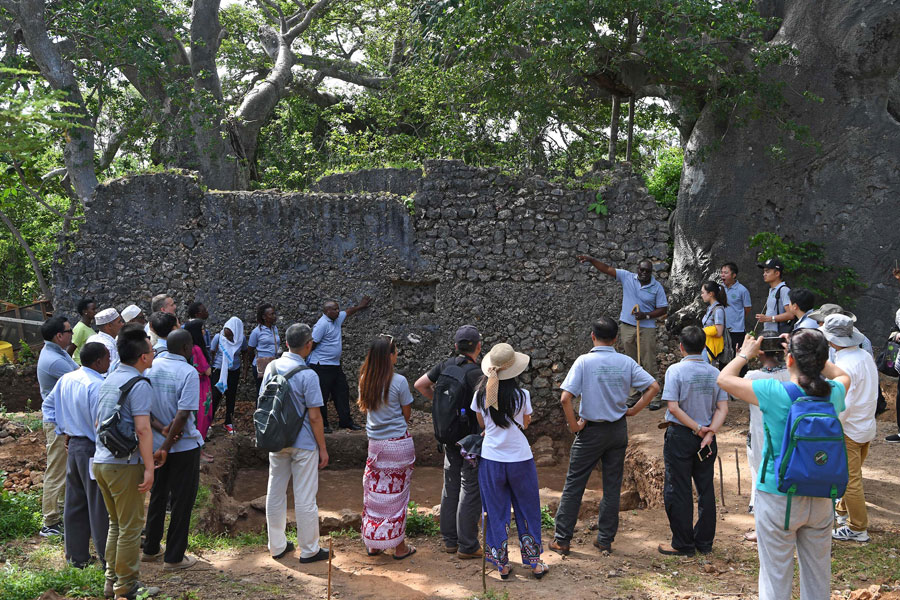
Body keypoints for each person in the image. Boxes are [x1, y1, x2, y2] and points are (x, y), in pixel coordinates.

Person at [717, 330, 850, 600]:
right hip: (822, 495)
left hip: (777, 494)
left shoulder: (772, 392)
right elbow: (844, 376)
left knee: (775, 576)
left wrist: (745, 353)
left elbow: (724, 379)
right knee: (818, 576)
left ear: (789, 360)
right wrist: (816, 357)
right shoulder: (834, 393)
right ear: (822, 359)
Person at [551, 316, 661, 555]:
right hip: (617, 430)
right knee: (612, 486)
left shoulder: (583, 362)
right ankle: (604, 539)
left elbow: (565, 398)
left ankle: (562, 539)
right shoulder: (626, 362)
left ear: (592, 336)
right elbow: (653, 387)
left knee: (574, 485)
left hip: (590, 431)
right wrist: (634, 409)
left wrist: (574, 427)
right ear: (615, 340)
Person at [93, 324, 161, 600]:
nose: (154, 352)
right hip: (124, 464)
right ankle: (127, 586)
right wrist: (148, 468)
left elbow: (98, 421)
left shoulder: (109, 379)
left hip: (101, 461)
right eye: (151, 349)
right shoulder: (139, 384)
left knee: (117, 524)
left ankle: (112, 582)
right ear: (143, 357)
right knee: (131, 527)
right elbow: (143, 430)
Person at [471, 342, 547, 580]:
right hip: (520, 458)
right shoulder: (522, 395)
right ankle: (534, 563)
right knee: (527, 509)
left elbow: (483, 425)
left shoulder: (480, 394)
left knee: (495, 511)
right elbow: (525, 424)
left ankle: (501, 564)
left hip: (491, 459)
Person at [262, 323, 330, 564]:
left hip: (276, 439)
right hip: (304, 444)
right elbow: (314, 416)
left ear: (286, 343)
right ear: (309, 345)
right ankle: (310, 549)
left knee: (275, 492)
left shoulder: (271, 367)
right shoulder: (309, 376)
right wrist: (323, 448)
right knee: (305, 497)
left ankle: (277, 546)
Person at [414, 325, 484, 558]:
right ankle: (468, 545)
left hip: (447, 436)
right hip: (469, 440)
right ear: (478, 347)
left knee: (451, 485)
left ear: (455, 346)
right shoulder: (477, 373)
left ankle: (449, 541)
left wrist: (440, 404)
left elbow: (420, 385)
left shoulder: (444, 366)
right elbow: (483, 410)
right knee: (469, 488)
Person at [658, 326, 728, 556]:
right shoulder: (715, 373)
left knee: (679, 488)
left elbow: (673, 406)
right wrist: (709, 433)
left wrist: (697, 428)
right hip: (707, 440)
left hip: (681, 435)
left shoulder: (675, 371)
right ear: (704, 346)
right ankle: (704, 543)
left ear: (681, 347)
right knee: (706, 489)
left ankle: (683, 543)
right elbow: (722, 408)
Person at [141, 329, 202, 570]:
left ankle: (151, 548)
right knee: (181, 500)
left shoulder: (150, 368)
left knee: (157, 495)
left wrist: (161, 434)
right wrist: (168, 445)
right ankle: (174, 557)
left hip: (154, 445)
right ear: (187, 349)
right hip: (182, 447)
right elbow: (184, 413)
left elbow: (144, 407)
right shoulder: (188, 372)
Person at [46, 342, 110, 568]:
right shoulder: (97, 385)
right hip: (92, 448)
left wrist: (62, 429)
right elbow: (100, 424)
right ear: (99, 361)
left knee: (75, 502)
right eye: (108, 358)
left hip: (73, 446)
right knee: (98, 504)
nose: (110, 362)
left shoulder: (67, 379)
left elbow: (48, 406)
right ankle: (106, 560)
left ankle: (76, 556)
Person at [576, 255, 668, 409]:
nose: (644, 273)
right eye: (641, 269)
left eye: (647, 271)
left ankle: (654, 396)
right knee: (630, 361)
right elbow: (607, 269)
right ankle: (634, 393)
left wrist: (646, 315)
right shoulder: (627, 277)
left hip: (647, 327)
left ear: (652, 272)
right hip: (628, 326)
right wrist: (592, 260)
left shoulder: (657, 287)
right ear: (637, 269)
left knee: (648, 360)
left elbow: (663, 308)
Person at [358, 335, 417, 559]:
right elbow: (407, 414)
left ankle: (374, 543)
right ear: (389, 356)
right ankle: (399, 548)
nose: (397, 355)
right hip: (398, 446)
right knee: (398, 498)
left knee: (375, 495)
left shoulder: (365, 378)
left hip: (375, 446)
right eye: (395, 352)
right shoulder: (399, 381)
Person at [821, 314, 878, 543]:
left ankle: (857, 528)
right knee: (852, 474)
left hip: (849, 429)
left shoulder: (844, 365)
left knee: (850, 479)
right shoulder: (864, 356)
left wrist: (832, 429)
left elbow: (843, 404)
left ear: (832, 340)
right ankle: (843, 512)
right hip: (866, 425)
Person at [742, 334, 791, 543]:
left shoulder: (753, 377)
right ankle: (787, 523)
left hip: (762, 435)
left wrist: (742, 356)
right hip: (788, 434)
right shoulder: (792, 374)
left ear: (759, 352)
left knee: (760, 479)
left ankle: (762, 527)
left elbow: (727, 383)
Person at [37, 316, 78, 538]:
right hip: (56, 422)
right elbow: (81, 377)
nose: (73, 334)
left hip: (63, 420)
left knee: (65, 468)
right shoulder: (53, 359)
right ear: (59, 336)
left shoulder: (58, 352)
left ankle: (61, 512)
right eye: (69, 331)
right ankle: (49, 521)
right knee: (56, 470)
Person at [308, 297, 372, 432]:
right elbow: (312, 344)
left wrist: (360, 306)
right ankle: (323, 424)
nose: (338, 311)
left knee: (342, 392)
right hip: (321, 366)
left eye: (338, 308)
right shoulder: (322, 325)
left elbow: (348, 312)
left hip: (335, 365)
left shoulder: (336, 319)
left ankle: (345, 421)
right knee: (322, 396)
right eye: (335, 309)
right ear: (326, 311)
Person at [183, 319, 214, 461]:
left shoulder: (188, 348)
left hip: (195, 385)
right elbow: (207, 371)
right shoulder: (197, 349)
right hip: (201, 386)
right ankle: (199, 452)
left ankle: (200, 450)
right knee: (202, 417)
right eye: (201, 329)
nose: (204, 331)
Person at [210, 317, 245, 434]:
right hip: (219, 369)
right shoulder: (218, 337)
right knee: (215, 396)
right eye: (226, 335)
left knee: (231, 396)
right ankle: (209, 421)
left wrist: (245, 370)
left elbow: (245, 352)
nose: (228, 338)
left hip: (234, 370)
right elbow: (212, 352)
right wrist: (211, 369)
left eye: (230, 336)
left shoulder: (241, 339)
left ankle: (228, 422)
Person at [248, 303, 281, 393]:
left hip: (274, 364)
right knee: (261, 392)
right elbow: (250, 350)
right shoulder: (257, 332)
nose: (274, 316)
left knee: (273, 391)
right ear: (264, 317)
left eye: (274, 313)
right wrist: (256, 363)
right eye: (271, 314)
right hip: (261, 366)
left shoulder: (275, 329)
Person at [720, 262, 753, 349]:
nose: (722, 275)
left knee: (737, 355)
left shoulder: (742, 290)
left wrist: (738, 317)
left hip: (737, 330)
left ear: (734, 275)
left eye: (726, 273)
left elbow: (747, 308)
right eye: (722, 272)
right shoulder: (719, 289)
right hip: (721, 329)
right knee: (723, 357)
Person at [755, 257, 792, 333]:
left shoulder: (784, 290)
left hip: (778, 334)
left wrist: (769, 318)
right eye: (764, 272)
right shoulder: (772, 290)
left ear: (777, 273)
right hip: (769, 333)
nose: (764, 274)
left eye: (767, 272)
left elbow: (790, 314)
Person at [87, 308, 124, 375]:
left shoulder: (92, 338)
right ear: (109, 325)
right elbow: (111, 373)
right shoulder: (108, 346)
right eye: (119, 322)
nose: (122, 324)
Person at [700, 281, 729, 365]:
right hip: (705, 344)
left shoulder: (718, 310)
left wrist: (703, 331)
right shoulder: (710, 308)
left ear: (711, 294)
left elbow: (719, 332)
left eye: (703, 292)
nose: (701, 295)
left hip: (711, 347)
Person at [71, 298, 97, 364]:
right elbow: (70, 350)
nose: (95, 312)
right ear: (85, 311)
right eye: (93, 309)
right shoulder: (80, 328)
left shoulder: (88, 326)